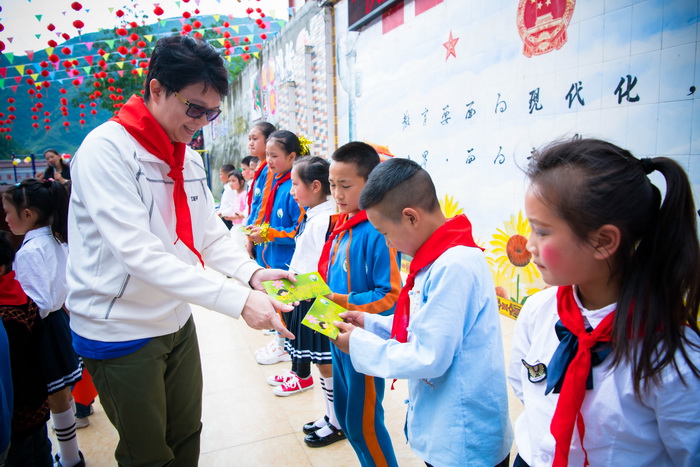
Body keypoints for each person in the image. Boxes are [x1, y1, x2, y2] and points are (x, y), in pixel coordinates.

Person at [65, 35, 295, 466]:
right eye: (195, 108)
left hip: (175, 316)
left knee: (187, 431)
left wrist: (250, 273)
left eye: (212, 113)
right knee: (148, 453)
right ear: (156, 89)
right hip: (121, 327)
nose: (202, 122)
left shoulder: (186, 157)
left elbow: (207, 235)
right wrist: (238, 300)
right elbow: (140, 255)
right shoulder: (106, 151)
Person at [508, 138, 700, 467]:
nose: (528, 244)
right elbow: (523, 384)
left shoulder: (672, 358)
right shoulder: (539, 310)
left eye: (541, 231)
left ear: (603, 241)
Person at [332, 158, 513, 466]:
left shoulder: (454, 265)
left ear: (411, 217)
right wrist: (370, 323)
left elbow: (430, 355)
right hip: (446, 426)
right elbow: (424, 323)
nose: (388, 243)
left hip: (464, 437)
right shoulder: (437, 257)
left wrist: (359, 344)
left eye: (386, 233)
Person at [315, 142, 401, 465]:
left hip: (361, 341)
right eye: (332, 185)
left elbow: (390, 295)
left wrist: (336, 300)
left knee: (364, 425)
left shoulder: (377, 231)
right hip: (338, 334)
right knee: (347, 418)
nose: (336, 194)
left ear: (370, 182)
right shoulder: (343, 225)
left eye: (345, 186)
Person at [2, 179, 84, 467]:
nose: (5, 219)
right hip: (59, 321)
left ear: (27, 214)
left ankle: (69, 459)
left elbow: (40, 302)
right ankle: (70, 455)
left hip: (42, 329)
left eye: (7, 212)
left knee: (54, 396)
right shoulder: (56, 240)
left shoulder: (29, 251)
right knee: (62, 396)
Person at [266, 157, 344, 444]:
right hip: (308, 295)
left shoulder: (324, 219)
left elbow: (321, 271)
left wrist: (288, 290)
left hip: (319, 299)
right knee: (322, 364)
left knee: (327, 363)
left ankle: (338, 422)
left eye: (295, 184)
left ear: (315, 186)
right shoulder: (315, 215)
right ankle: (331, 416)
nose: (291, 191)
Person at [0, 230, 52, 466]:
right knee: (41, 450)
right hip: (37, 398)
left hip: (16, 408)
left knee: (23, 457)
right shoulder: (20, 294)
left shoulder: (5, 314)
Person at [216, 163, 236, 229]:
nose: (220, 176)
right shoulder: (226, 187)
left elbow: (233, 206)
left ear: (228, 175)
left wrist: (222, 213)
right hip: (224, 216)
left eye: (221, 174)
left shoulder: (232, 189)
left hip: (229, 218)